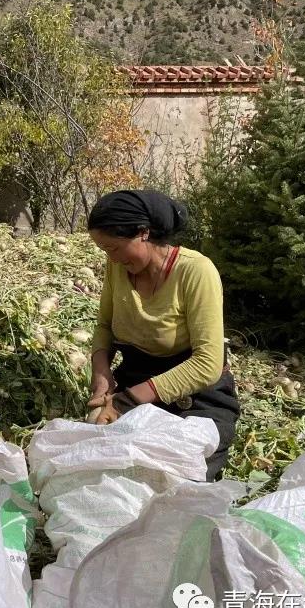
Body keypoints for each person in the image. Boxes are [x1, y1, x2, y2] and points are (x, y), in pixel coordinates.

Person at [85, 190, 239, 480]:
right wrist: (102, 374)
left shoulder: (196, 272)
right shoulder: (117, 268)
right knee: (106, 461)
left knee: (176, 471)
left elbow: (207, 363)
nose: (112, 259)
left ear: (143, 233)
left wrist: (127, 402)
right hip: (136, 380)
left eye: (115, 248)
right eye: (105, 251)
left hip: (196, 396)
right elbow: (104, 326)